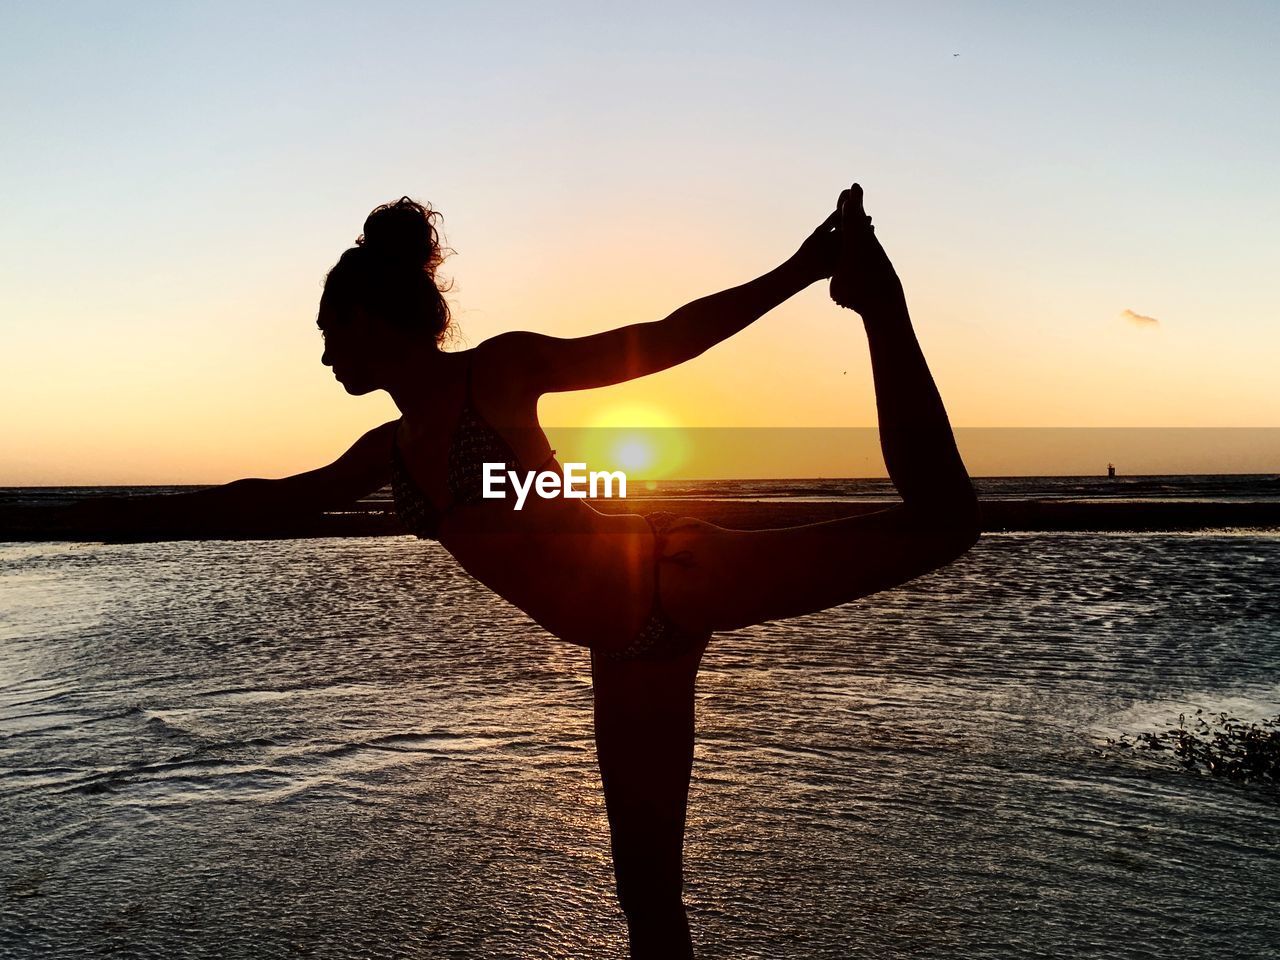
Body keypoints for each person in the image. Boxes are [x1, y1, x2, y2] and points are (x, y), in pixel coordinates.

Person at [64, 182, 979, 957]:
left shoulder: (493, 375)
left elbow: (663, 338)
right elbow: (270, 496)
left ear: (371, 319)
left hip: (671, 574)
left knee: (944, 525)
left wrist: (801, 269)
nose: (324, 353)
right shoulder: (387, 448)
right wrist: (125, 516)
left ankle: (877, 299)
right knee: (649, 906)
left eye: (329, 330)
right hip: (625, 652)